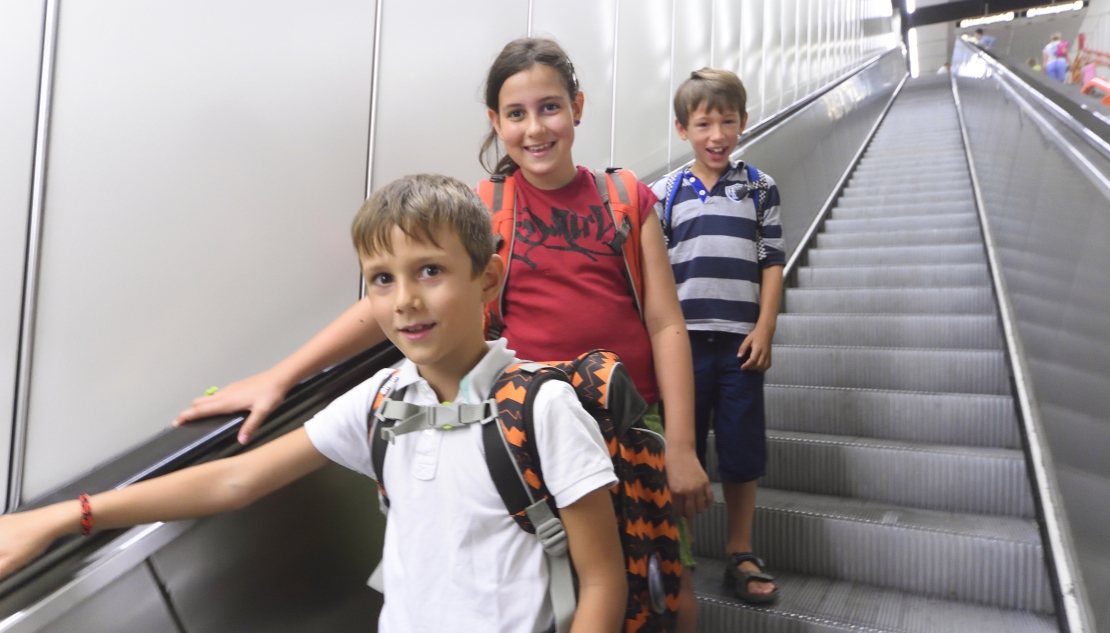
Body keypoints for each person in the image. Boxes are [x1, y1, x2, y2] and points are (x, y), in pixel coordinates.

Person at [174, 37, 712, 631]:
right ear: (495, 122)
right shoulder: (484, 208)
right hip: (523, 434)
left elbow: (664, 322)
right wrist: (282, 375)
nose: (535, 127)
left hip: (624, 418)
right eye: (516, 113)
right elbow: (381, 305)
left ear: (577, 107)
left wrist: (682, 448)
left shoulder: (624, 198)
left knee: (664, 575)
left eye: (550, 107)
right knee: (561, 581)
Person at [0, 174, 628, 633]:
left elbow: (602, 581)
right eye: (383, 279)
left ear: (486, 279)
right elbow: (237, 479)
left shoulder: (542, 408)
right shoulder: (385, 399)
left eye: (430, 271)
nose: (404, 300)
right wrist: (69, 515)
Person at [650, 68, 784, 605]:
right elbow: (653, 275)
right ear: (682, 128)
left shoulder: (760, 187)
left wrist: (765, 327)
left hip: (739, 345)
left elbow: (772, 262)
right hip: (679, 347)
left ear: (743, 122)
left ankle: (739, 550)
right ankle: (673, 550)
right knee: (678, 445)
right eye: (704, 123)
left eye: (728, 121)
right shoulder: (666, 191)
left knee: (741, 446)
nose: (717, 134)